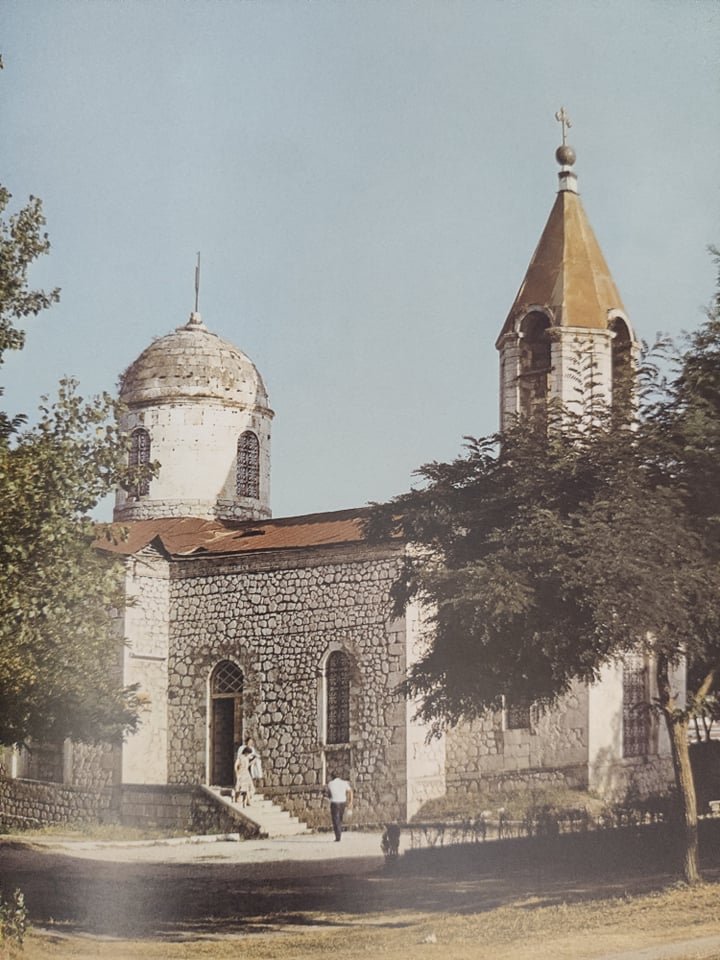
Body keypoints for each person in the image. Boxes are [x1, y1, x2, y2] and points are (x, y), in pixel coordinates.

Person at [326, 771, 353, 841]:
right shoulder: (344, 783)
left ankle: (338, 836)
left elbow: (328, 794)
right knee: (340, 818)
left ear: (332, 777)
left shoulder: (330, 784)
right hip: (342, 802)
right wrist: (350, 801)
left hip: (335, 803)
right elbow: (350, 791)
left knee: (335, 820)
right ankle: (339, 833)